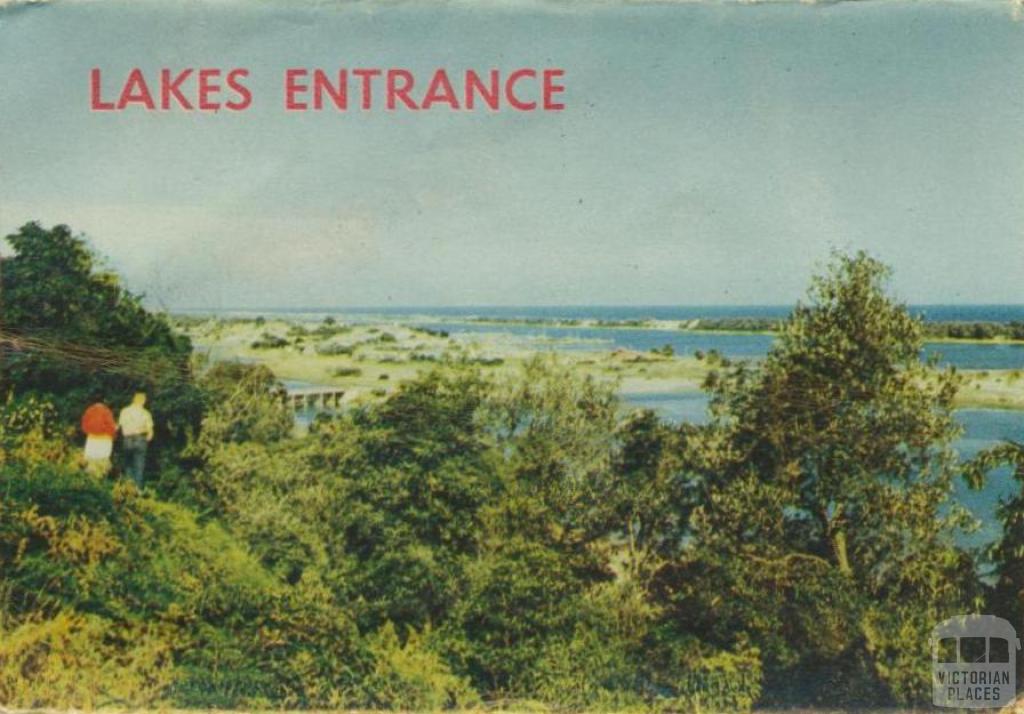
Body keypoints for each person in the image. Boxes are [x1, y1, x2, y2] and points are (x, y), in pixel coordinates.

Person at [118, 392, 154, 488]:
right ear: (143, 401)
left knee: (128, 465)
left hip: (127, 439)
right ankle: (137, 490)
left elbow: (120, 426)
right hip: (140, 438)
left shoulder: (124, 411)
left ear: (133, 399)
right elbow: (150, 433)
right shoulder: (146, 413)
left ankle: (128, 489)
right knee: (139, 465)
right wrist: (146, 436)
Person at [81, 398, 117, 476]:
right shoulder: (106, 411)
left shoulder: (89, 411)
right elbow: (111, 426)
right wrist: (113, 435)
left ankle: (90, 479)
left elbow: (84, 425)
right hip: (104, 440)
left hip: (92, 439)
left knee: (91, 461)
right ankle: (99, 477)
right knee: (102, 462)